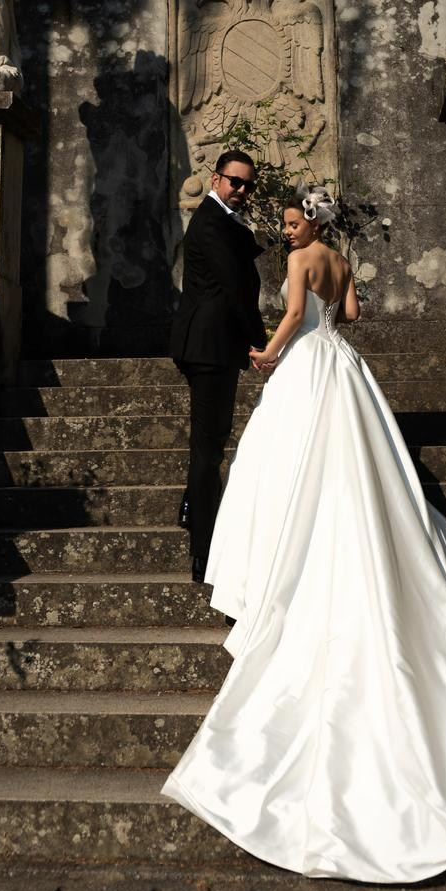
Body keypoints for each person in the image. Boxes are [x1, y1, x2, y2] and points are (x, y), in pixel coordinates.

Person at [162, 188, 446, 883]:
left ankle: (277, 562)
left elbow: (298, 315)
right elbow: (348, 316)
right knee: (356, 461)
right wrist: (322, 321)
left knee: (287, 464)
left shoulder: (301, 260)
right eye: (289, 225)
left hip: (304, 366)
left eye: (294, 223)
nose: (288, 232)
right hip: (343, 369)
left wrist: (269, 355)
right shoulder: (341, 257)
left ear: (310, 223)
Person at [170, 151, 267, 583]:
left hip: (212, 346)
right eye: (235, 182)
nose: (242, 191)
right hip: (209, 347)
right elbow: (235, 293)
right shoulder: (211, 223)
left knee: (211, 441)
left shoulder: (222, 220)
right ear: (215, 179)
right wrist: (264, 345)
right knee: (208, 449)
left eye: (248, 185)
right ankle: (202, 550)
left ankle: (193, 506)